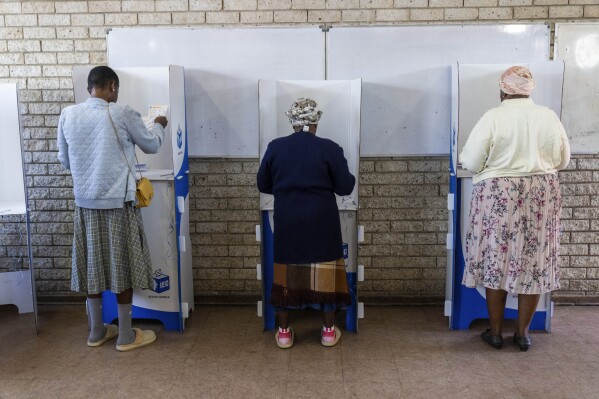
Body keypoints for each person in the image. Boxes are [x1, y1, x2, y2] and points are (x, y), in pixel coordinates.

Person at [459, 66, 571, 351]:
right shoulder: (548, 116)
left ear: (502, 90)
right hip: (541, 194)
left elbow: (472, 162)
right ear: (530, 89)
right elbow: (562, 160)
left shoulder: (493, 117)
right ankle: (523, 334)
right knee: (533, 262)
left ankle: (495, 332)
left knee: (497, 257)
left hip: (500, 193)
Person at [57, 66, 167, 351]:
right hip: (118, 203)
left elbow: (65, 161)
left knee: (93, 265)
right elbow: (152, 145)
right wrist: (160, 124)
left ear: (88, 88)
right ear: (112, 87)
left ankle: (96, 332)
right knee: (123, 268)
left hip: (85, 205)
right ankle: (126, 336)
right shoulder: (121, 112)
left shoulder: (68, 115)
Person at [257, 98, 356, 349]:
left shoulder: (275, 147)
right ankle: (327, 332)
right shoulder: (330, 148)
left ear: (292, 122)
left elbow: (263, 184)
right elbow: (345, 186)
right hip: (322, 222)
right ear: (315, 122)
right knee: (325, 276)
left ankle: (283, 333)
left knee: (286, 278)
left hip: (288, 221)